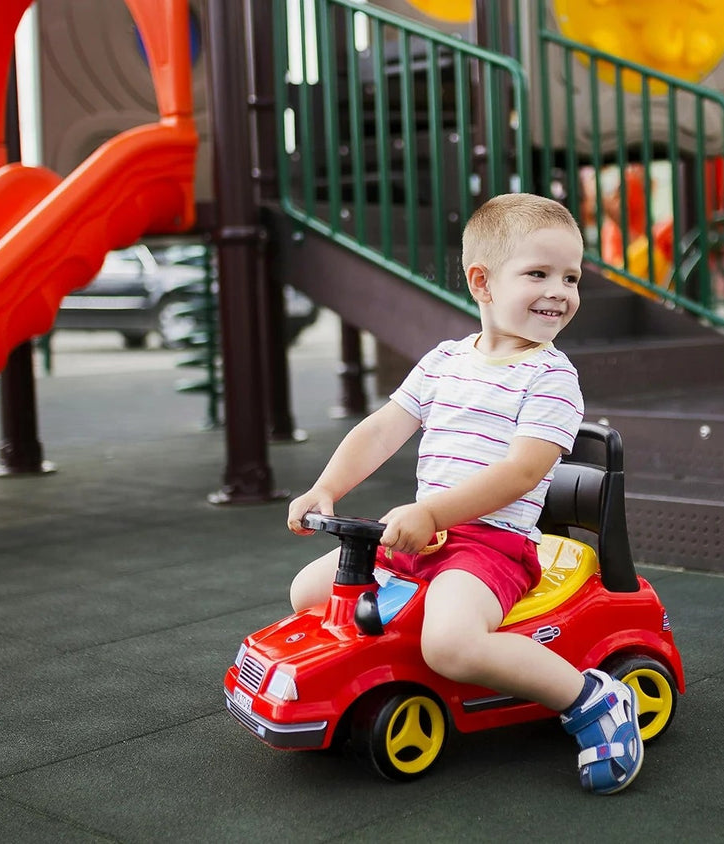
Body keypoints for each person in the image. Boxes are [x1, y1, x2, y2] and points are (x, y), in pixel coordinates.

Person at [285, 192, 643, 795]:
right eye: (538, 273)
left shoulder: (551, 376)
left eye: (571, 277)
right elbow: (380, 430)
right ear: (482, 282)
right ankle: (374, 682)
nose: (559, 291)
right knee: (310, 591)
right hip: (426, 535)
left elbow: (523, 471)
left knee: (452, 643)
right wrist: (326, 488)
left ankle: (593, 699)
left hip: (491, 545)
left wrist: (431, 511)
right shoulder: (444, 362)